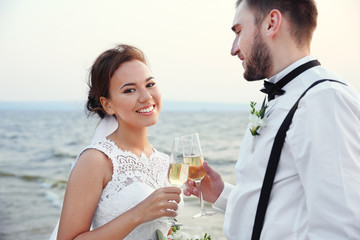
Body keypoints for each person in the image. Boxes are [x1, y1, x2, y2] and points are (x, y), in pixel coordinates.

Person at [185, 0, 360, 239]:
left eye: (238, 31)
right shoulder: (282, 97)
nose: (233, 49)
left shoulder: (323, 99)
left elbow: (341, 227)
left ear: (271, 23)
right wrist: (221, 194)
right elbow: (280, 206)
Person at [52, 44, 181, 240]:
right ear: (108, 104)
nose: (146, 97)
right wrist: (138, 214)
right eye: (130, 90)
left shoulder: (165, 162)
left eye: (150, 84)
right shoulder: (95, 160)